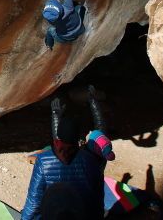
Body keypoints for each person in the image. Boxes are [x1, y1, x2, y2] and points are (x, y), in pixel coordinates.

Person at [21, 86, 114, 220]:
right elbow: (97, 201)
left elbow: (34, 201)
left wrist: (55, 115)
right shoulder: (91, 161)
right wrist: (93, 101)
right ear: (78, 140)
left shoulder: (43, 161)